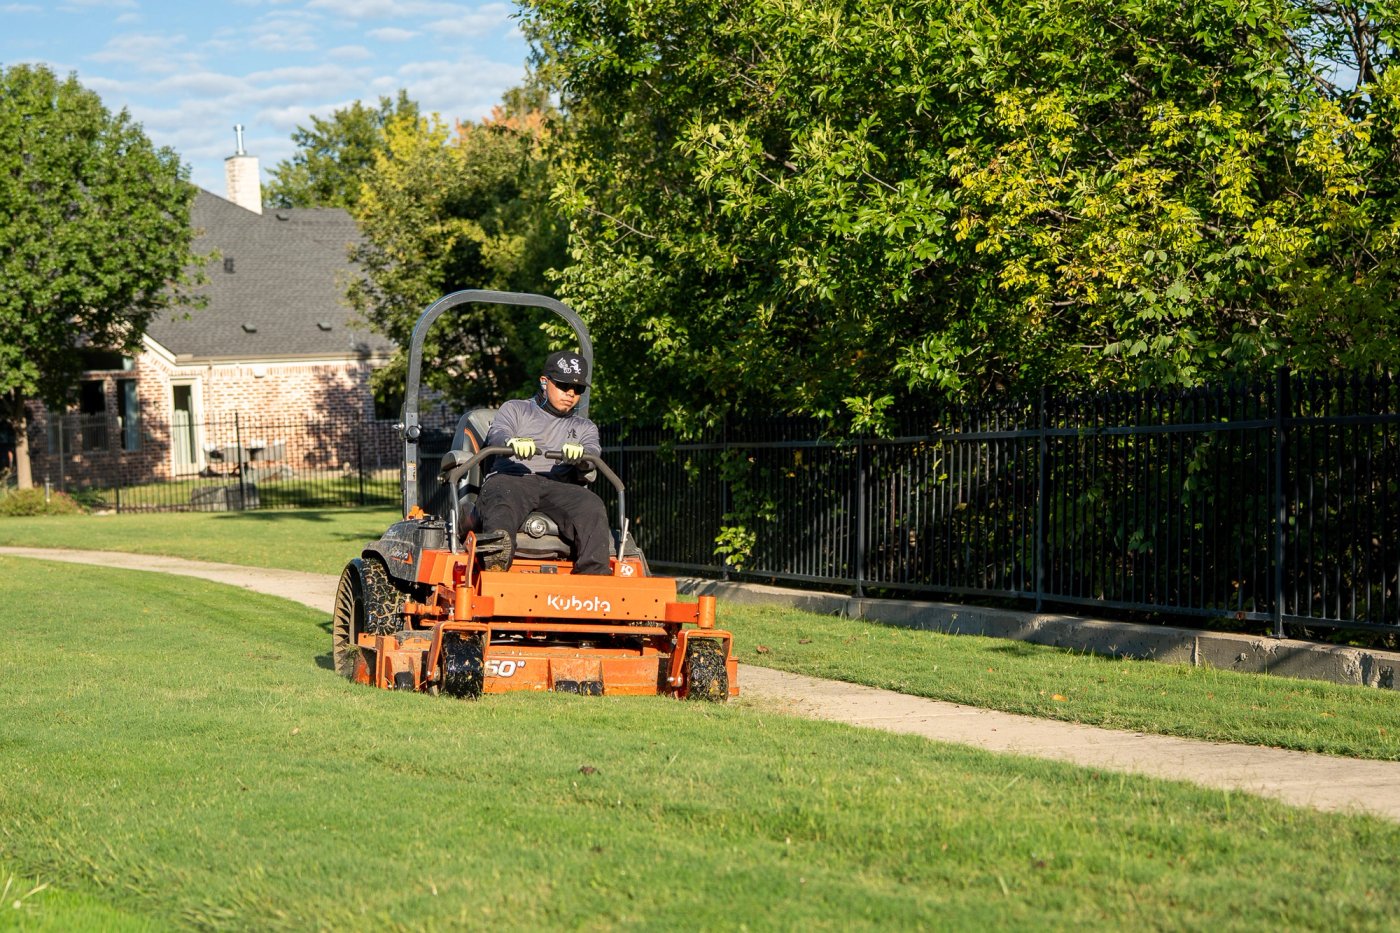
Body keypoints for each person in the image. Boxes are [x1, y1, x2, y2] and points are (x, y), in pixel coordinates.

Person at [474, 350, 611, 574]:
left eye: (578, 389)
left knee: (591, 504)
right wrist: (511, 442)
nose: (571, 393)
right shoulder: (516, 409)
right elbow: (498, 433)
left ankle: (594, 577)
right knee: (502, 495)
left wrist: (582, 456)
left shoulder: (585, 427)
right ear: (544, 382)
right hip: (513, 479)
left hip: (558, 486)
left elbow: (592, 454)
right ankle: (497, 561)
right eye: (564, 385)